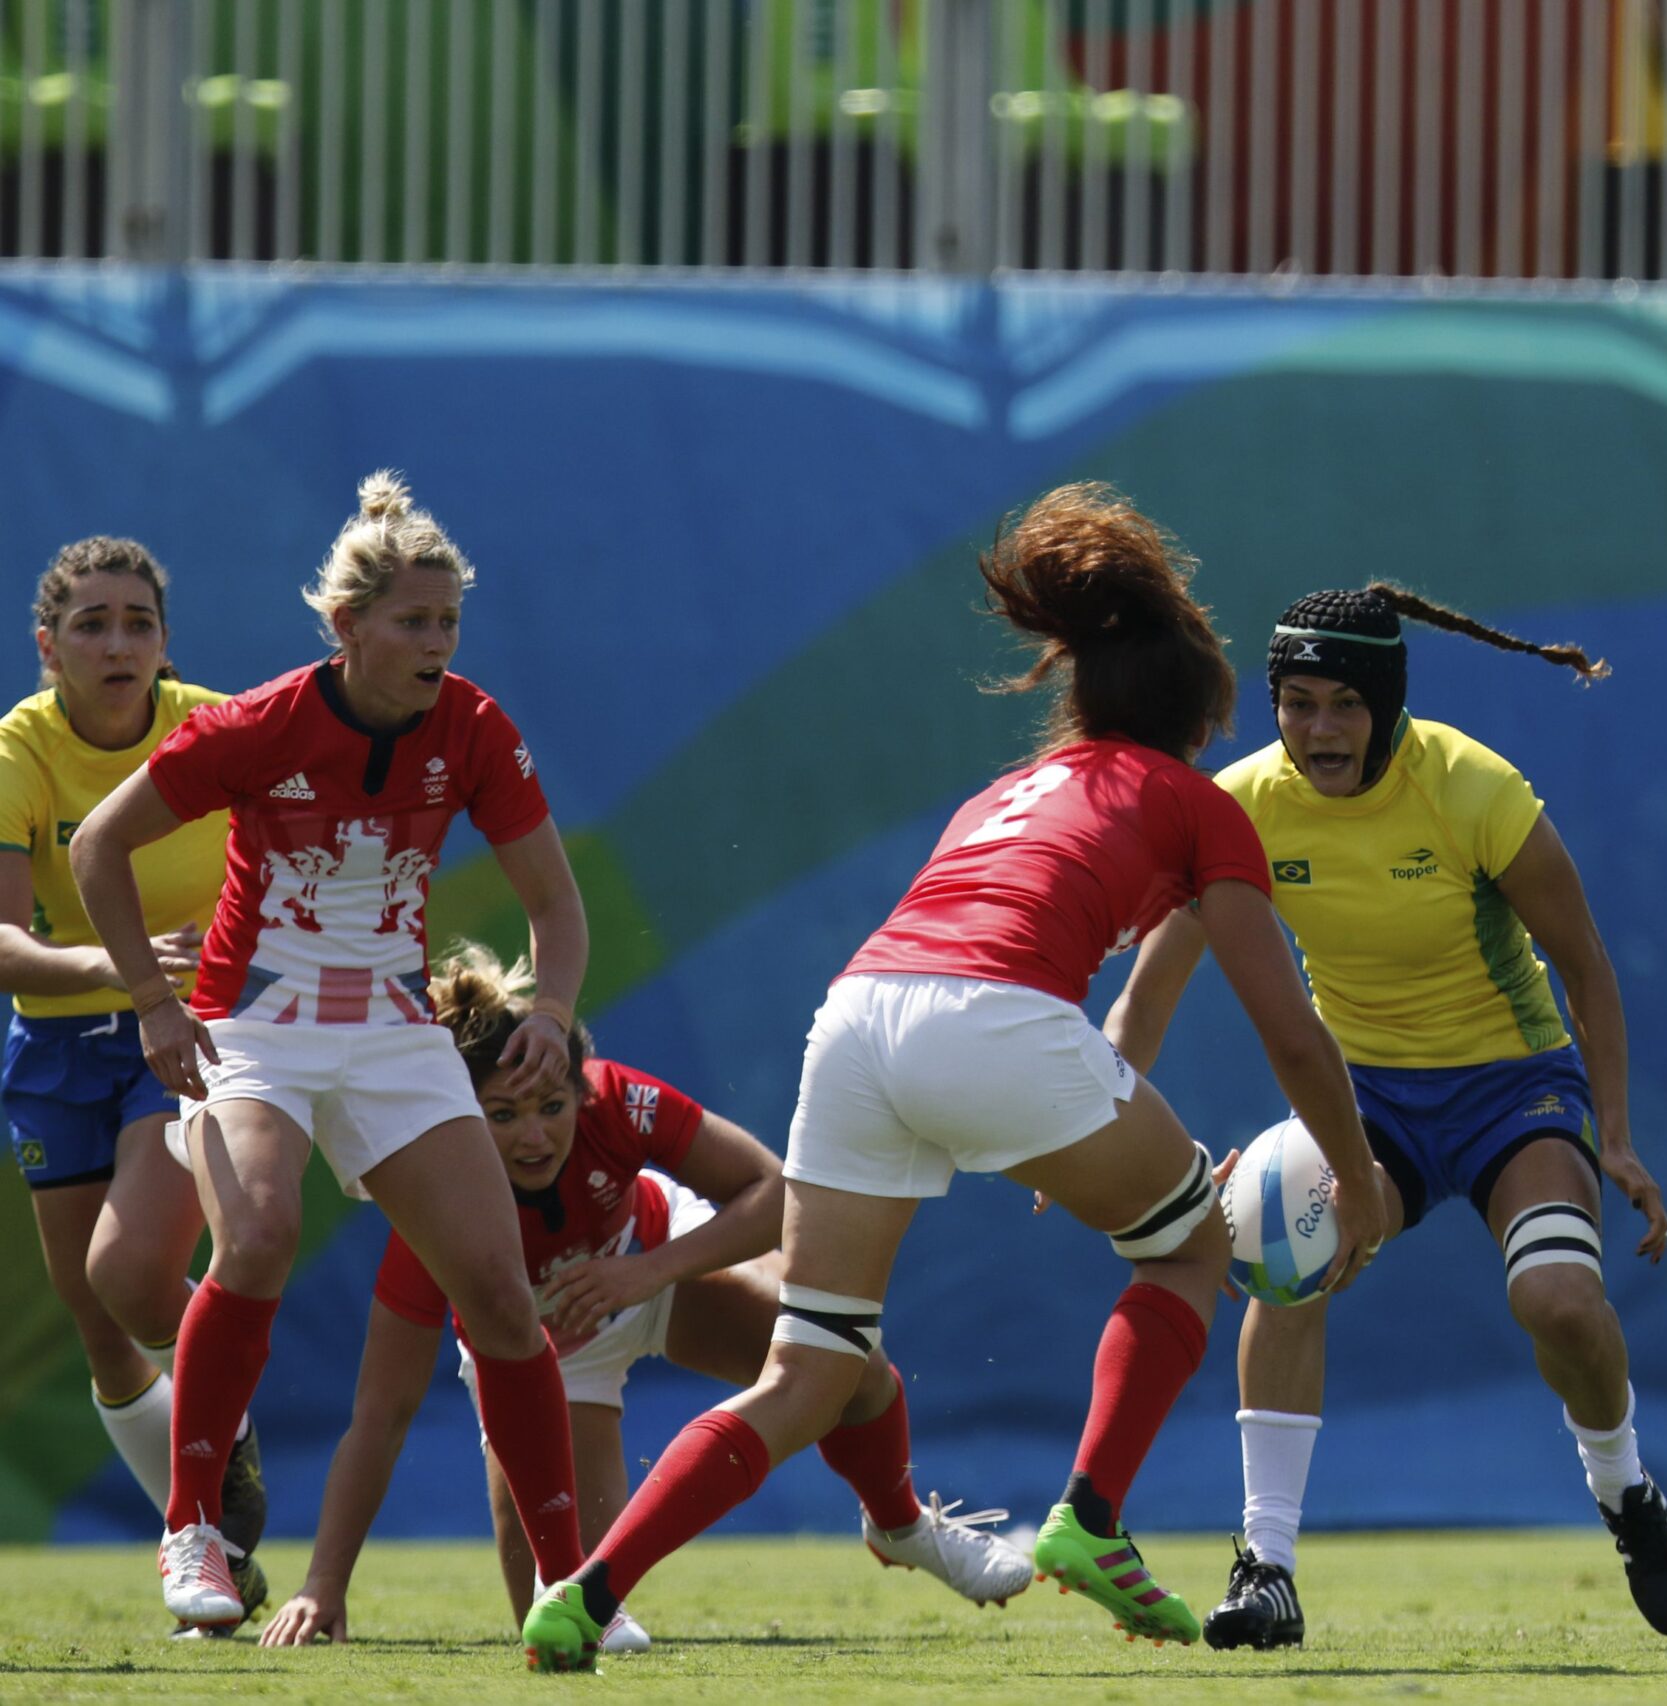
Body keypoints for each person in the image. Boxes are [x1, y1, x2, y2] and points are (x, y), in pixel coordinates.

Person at [521, 482, 1391, 1671]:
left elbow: (1011, 978)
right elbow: (1290, 1033)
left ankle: (583, 1588)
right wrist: (1357, 1176)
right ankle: (1090, 1519)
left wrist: (1073, 1135)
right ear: (1195, 724)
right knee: (1191, 1248)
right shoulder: (1196, 801)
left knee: (812, 1364)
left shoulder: (1003, 794)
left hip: (859, 1015)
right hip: (995, 1025)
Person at [1105, 584, 1667, 1648]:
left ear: (1385, 702)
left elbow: (1586, 969)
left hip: (1512, 1088)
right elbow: (1150, 989)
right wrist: (1084, 1129)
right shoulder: (1239, 804)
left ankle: (1625, 1489)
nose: (1319, 729)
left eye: (1343, 703)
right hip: (1361, 1097)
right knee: (1280, 1250)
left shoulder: (1474, 787)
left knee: (1559, 1300)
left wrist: (1610, 1134)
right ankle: (1266, 1564)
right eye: (1296, 702)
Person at [69, 472, 591, 1637]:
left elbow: (555, 906)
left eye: (448, 622)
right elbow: (101, 847)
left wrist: (551, 1008)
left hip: (394, 1029)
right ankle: (192, 1525)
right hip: (256, 1022)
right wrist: (154, 1004)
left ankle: (571, 1586)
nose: (436, 644)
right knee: (254, 1236)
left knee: (505, 1301)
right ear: (347, 626)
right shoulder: (257, 724)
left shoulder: (476, 726)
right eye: (413, 621)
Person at [259, 942, 1031, 1652]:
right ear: (460, 1118)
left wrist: (644, 1274)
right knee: (563, 1617)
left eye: (550, 1106)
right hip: (547, 1357)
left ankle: (901, 1525)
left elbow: (771, 1191)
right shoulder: (432, 1212)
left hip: (655, 1262)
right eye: (503, 1115)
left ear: (579, 1090)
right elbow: (380, 1412)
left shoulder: (615, 1101)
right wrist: (323, 1584)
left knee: (846, 1360)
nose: (535, 1136)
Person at [0, 537, 268, 1629]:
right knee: (98, 1319)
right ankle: (218, 1523)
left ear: (166, 639)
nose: (118, 643)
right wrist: (116, 960)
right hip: (56, 1045)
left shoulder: (217, 727)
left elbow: (302, 849)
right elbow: (6, 944)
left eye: (138, 623)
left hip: (191, 1033)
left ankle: (195, 1510)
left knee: (131, 1268)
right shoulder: (20, 746)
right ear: (48, 642)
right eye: (93, 623)